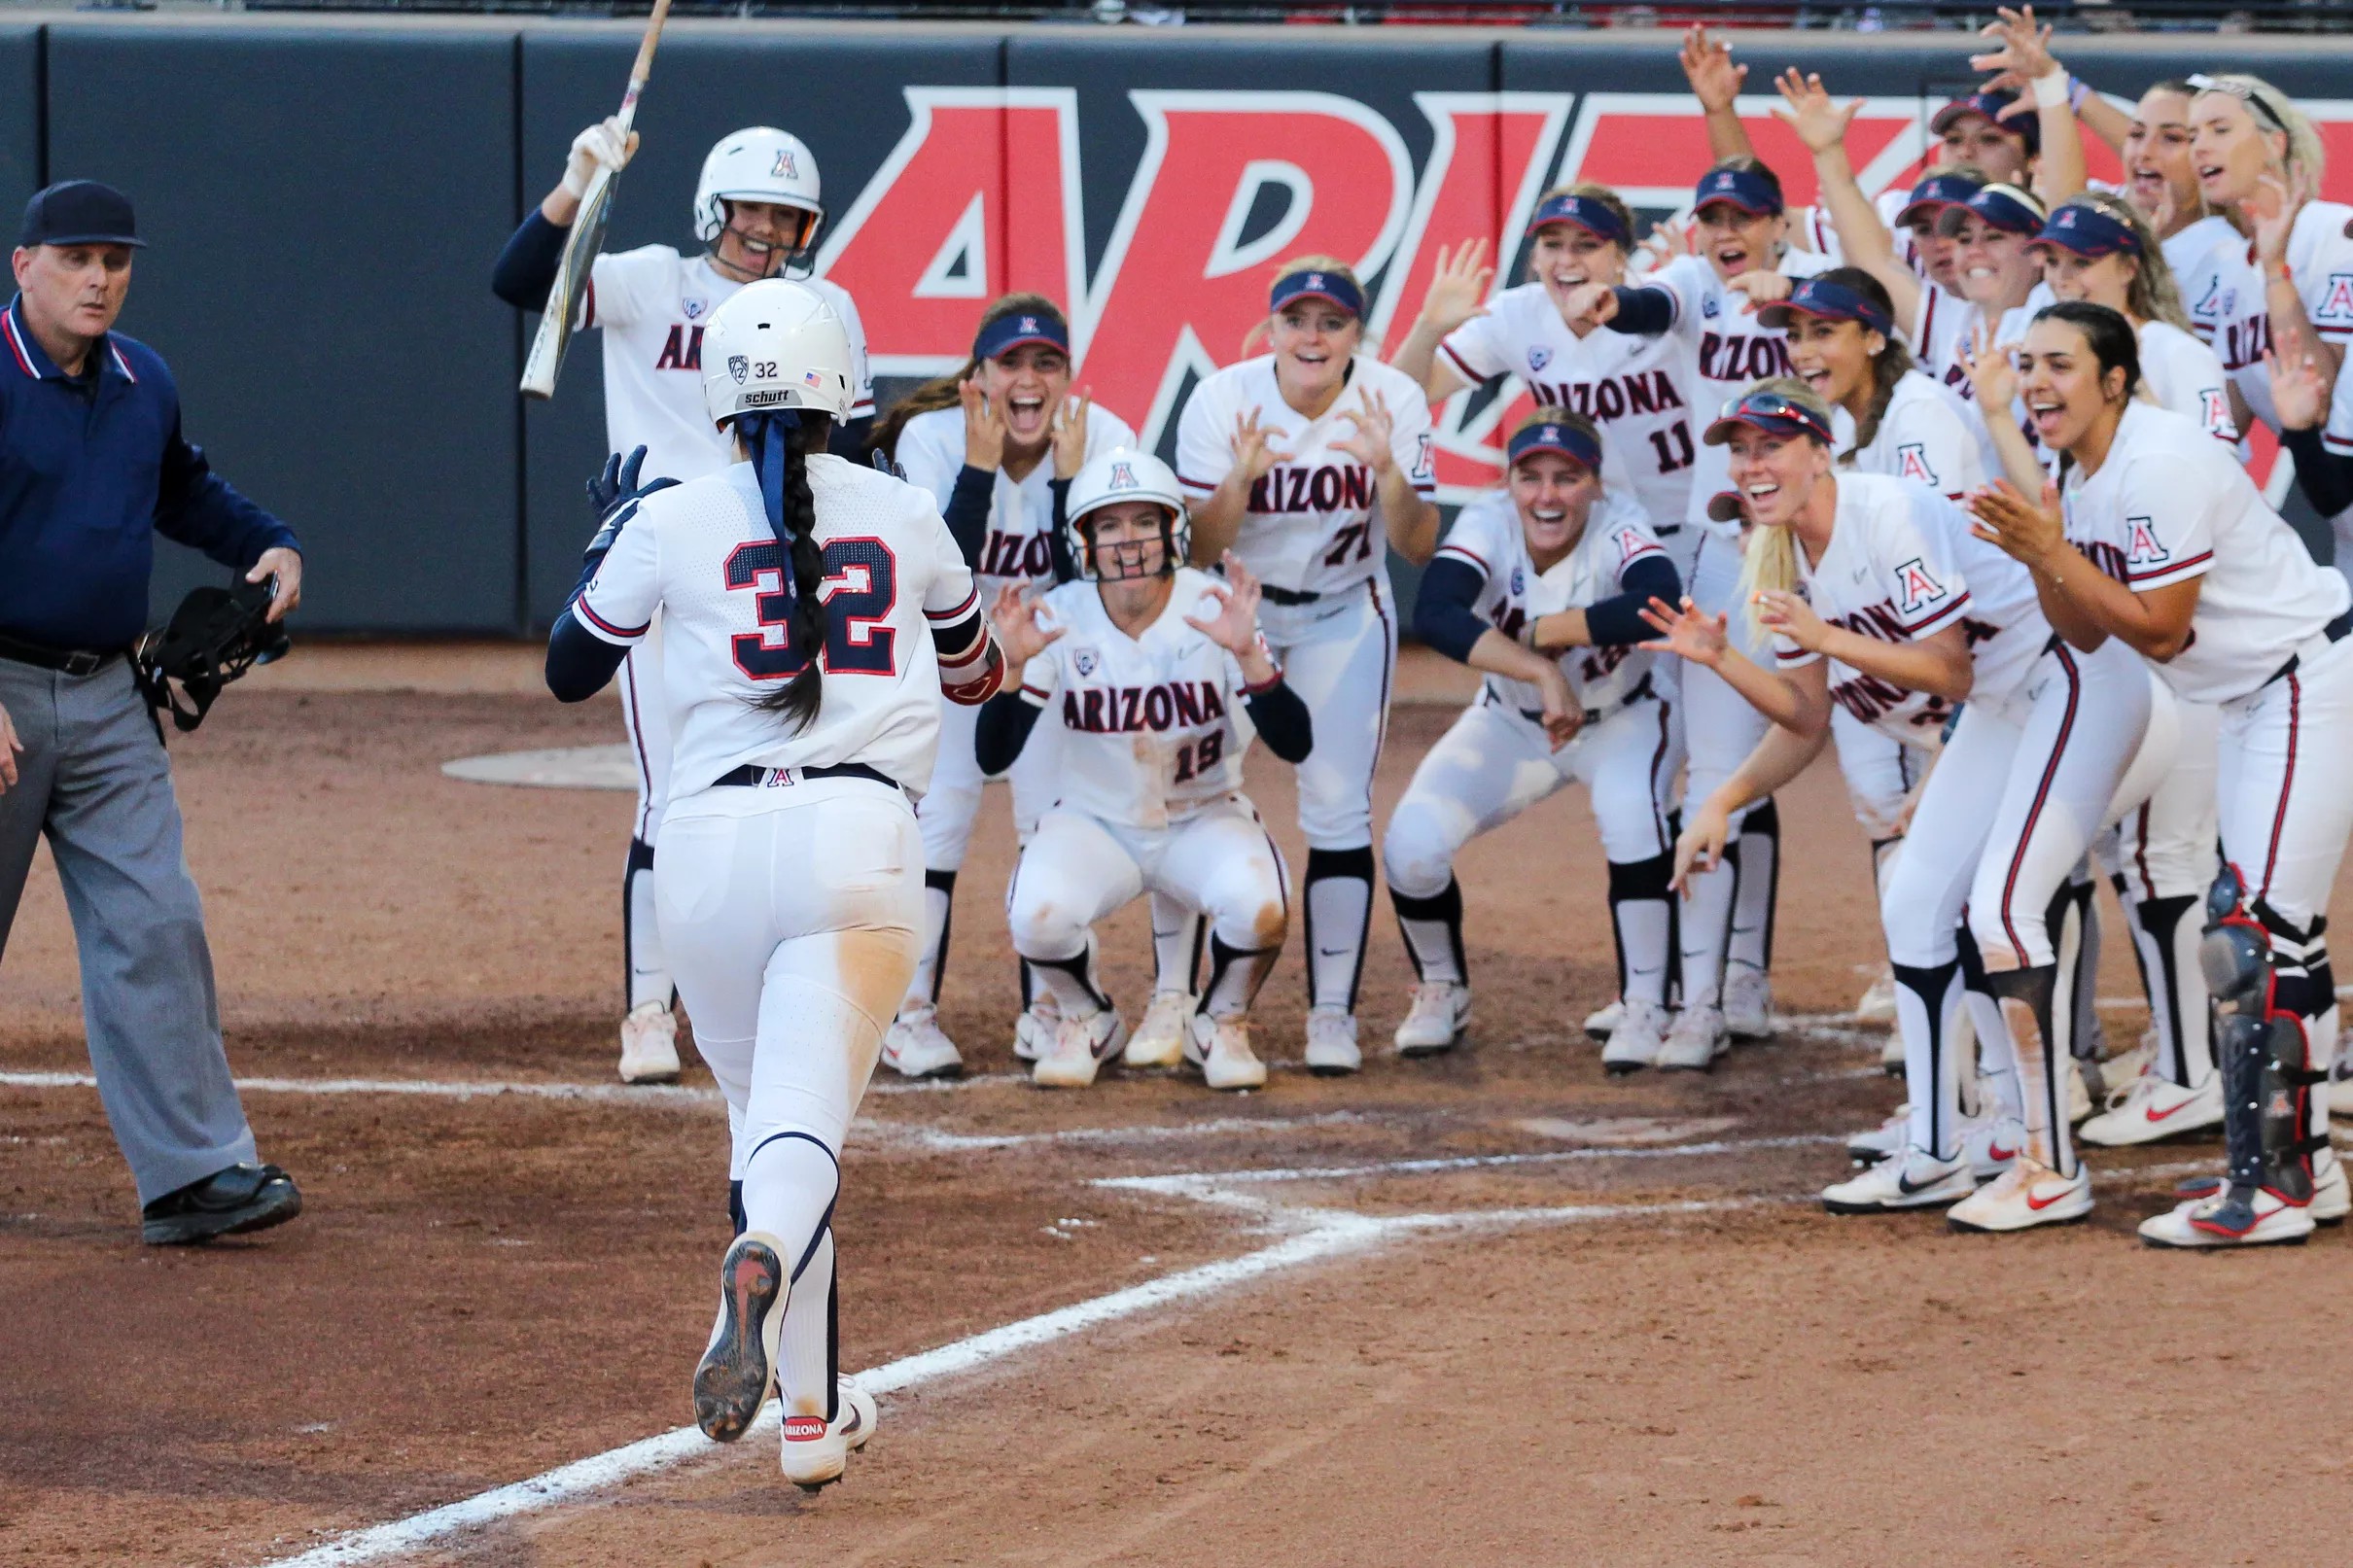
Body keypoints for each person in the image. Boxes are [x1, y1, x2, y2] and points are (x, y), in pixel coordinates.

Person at [544, 280, 1004, 1484]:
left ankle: (808, 1422)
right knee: (798, 1135)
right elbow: (973, 677)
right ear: (839, 384)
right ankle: (755, 1271)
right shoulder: (907, 512)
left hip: (699, 851)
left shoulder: (670, 512)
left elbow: (567, 667)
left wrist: (612, 538)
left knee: (766, 1122)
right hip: (854, 839)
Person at [1651, 380, 2164, 1233]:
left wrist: (1828, 638)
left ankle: (2050, 1164)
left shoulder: (1887, 511)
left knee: (2000, 910)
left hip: (2074, 679)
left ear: (1821, 451)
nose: (1752, 465)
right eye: (1739, 450)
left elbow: (1951, 672)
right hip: (2007, 709)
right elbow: (1808, 718)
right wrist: (1725, 790)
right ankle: (1935, 1149)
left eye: (1770, 446)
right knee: (1917, 901)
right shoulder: (1778, 557)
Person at [493, 119, 875, 1087]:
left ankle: (783, 978)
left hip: (782, 575)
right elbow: (520, 282)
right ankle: (646, 1009)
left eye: (786, 214)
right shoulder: (653, 279)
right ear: (717, 205)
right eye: (753, 208)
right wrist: (577, 181)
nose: (766, 229)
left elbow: (855, 449)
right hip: (664, 562)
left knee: (793, 779)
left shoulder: (823, 305)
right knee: (671, 794)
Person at [1969, 302, 2353, 1248]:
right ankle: (2297, 1164)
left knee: (2252, 937)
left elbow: (2158, 630)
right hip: (2251, 696)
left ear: (2111, 378)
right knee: (2262, 926)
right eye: (2025, 364)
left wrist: (2048, 549)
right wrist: (2043, 556)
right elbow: (2088, 628)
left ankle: (2273, 1187)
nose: (2034, 382)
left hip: (2303, 675)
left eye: (2057, 363)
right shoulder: (2087, 468)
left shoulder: (2155, 461)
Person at [0, 180, 305, 1245]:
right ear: (23, 264)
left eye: (115, 261)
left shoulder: (141, 380)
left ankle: (191, 1173)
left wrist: (266, 541)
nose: (99, 278)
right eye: (77, 258)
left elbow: (184, 492)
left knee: (154, 921)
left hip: (103, 697)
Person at [1177, 257, 1439, 1076]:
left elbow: (1417, 544)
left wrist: (1389, 473)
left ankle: (1332, 1014)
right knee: (1189, 790)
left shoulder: (1392, 397)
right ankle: (1180, 1000)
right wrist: (1240, 481)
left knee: (1336, 810)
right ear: (1272, 327)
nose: (1313, 336)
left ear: (1357, 333)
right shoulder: (1224, 398)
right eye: (1297, 319)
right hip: (1237, 614)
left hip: (1342, 610)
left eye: (1332, 322)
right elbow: (1200, 547)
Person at [867, 296, 1139, 1079]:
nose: (1028, 380)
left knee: (1046, 824)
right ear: (978, 375)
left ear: (1068, 375)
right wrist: (981, 469)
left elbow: (1088, 583)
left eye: (1046, 363)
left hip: (1049, 654)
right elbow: (934, 566)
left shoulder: (1103, 440)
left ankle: (1049, 1008)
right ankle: (905, 1014)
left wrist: (1064, 484)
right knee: (938, 827)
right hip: (948, 651)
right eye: (1010, 364)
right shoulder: (932, 437)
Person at [981, 448, 1310, 1092]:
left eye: (1142, 521)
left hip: (1204, 814)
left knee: (1261, 905)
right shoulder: (1059, 615)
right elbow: (993, 755)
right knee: (1035, 914)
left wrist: (1251, 656)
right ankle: (1088, 1016)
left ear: (1172, 531)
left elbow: (1295, 742)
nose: (1127, 541)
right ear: (1085, 540)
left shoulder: (1214, 606)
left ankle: (1220, 1018)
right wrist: (1011, 671)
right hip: (1095, 821)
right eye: (1108, 525)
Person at [1382, 413, 1684, 1066]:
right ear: (1508, 481)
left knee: (1633, 822)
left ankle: (1647, 1002)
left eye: (1567, 478)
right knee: (1411, 846)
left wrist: (1551, 632)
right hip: (1514, 720)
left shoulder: (1619, 521)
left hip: (1624, 717)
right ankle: (1442, 987)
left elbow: (1659, 598)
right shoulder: (1490, 521)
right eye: (1531, 477)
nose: (1547, 496)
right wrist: (1540, 670)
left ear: (1596, 485)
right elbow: (1435, 610)